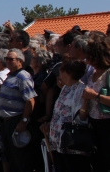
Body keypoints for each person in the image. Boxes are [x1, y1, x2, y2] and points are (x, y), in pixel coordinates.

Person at [39, 60, 90, 172]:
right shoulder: (65, 88)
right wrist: (51, 125)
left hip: (72, 144)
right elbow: (59, 112)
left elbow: (80, 117)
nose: (59, 74)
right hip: (58, 143)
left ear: (68, 73)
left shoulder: (80, 89)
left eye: (61, 71)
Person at [0, 49, 37, 172]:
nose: (7, 61)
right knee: (12, 157)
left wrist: (24, 120)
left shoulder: (22, 76)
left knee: (20, 158)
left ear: (20, 61)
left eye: (11, 59)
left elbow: (30, 100)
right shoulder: (10, 75)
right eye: (6, 59)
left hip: (16, 121)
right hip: (6, 122)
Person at [82, 33, 110, 171]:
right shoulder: (92, 73)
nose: (86, 60)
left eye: (89, 56)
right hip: (94, 124)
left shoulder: (108, 73)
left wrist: (95, 96)